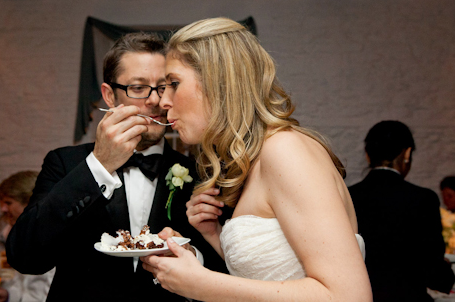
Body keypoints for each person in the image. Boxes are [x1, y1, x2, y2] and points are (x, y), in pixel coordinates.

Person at [141, 17, 372, 301]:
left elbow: (349, 296)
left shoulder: (286, 149)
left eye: (173, 83)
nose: (162, 102)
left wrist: (202, 284)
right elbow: (274, 276)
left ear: (218, 82)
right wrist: (214, 233)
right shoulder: (258, 159)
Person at [5, 32, 228, 301]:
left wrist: (194, 258)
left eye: (163, 86)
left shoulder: (202, 172)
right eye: (137, 88)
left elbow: (230, 273)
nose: (155, 100)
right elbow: (26, 257)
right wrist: (99, 166)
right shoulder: (65, 163)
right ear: (110, 96)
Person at [348, 120, 454, 302]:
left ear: (368, 155)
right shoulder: (423, 198)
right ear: (407, 153)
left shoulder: (349, 196)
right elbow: (433, 270)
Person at [0, 170, 55, 302]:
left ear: (29, 202)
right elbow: (22, 283)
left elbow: (41, 296)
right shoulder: (25, 232)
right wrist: (8, 295)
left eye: (8, 203)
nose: (3, 209)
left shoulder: (46, 237)